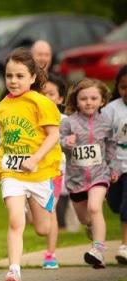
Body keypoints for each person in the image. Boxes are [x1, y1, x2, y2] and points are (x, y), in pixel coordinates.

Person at [0, 48, 62, 281]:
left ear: (33, 77)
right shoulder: (2, 106)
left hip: (40, 173)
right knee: (15, 220)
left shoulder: (41, 102)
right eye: (9, 76)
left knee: (43, 229)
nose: (13, 81)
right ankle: (14, 272)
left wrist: (35, 159)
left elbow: (54, 135)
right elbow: (5, 139)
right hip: (13, 174)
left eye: (20, 76)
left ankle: (34, 205)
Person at [61, 78, 117, 268]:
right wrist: (65, 142)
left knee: (95, 208)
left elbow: (111, 145)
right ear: (76, 100)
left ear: (102, 101)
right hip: (75, 179)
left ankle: (98, 250)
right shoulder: (69, 123)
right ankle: (92, 229)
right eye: (84, 98)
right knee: (86, 218)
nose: (89, 102)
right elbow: (57, 142)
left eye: (94, 98)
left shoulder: (106, 123)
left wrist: (114, 167)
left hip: (98, 175)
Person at [39, 73, 69, 269]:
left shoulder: (65, 121)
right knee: (37, 219)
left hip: (55, 171)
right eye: (43, 93)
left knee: (50, 211)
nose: (46, 97)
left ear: (60, 98)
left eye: (51, 94)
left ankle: (50, 254)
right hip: (30, 171)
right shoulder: (31, 117)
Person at [103, 65, 127, 264]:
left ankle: (124, 246)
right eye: (123, 87)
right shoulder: (112, 109)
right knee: (114, 204)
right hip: (115, 167)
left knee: (126, 207)